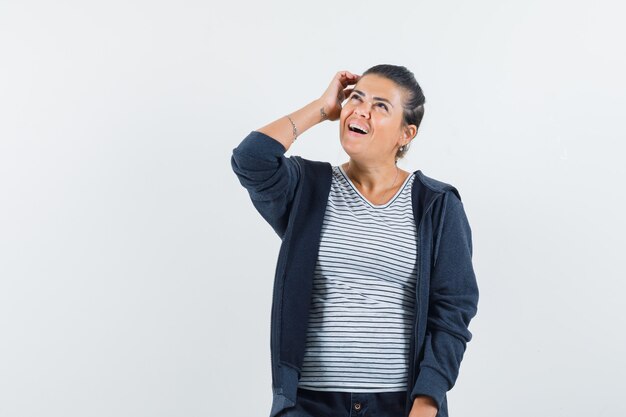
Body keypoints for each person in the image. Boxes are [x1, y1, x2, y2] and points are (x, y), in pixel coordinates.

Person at [230, 64, 479, 417]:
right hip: (309, 404)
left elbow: (453, 310)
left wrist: (426, 404)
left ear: (406, 134)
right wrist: (320, 108)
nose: (361, 109)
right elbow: (251, 159)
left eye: (380, 105)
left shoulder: (436, 204)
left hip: (399, 405)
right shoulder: (308, 187)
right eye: (356, 97)